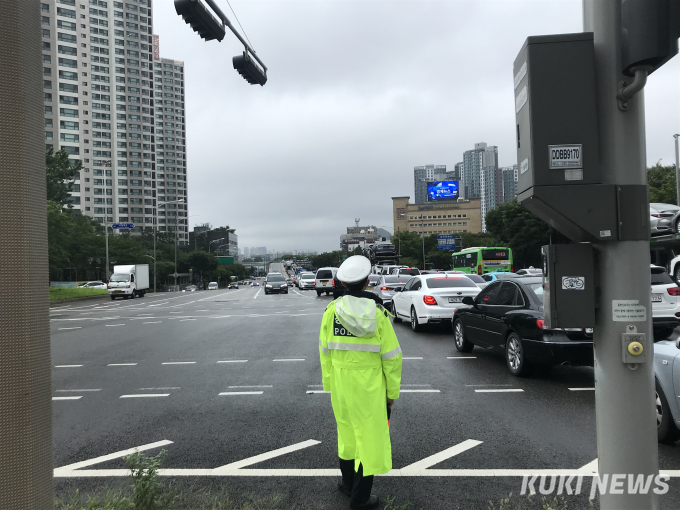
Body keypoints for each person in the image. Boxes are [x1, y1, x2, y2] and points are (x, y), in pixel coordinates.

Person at [318, 255, 402, 510]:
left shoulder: (331, 312)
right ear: (367, 282)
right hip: (370, 385)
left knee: (347, 436)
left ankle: (347, 484)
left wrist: (330, 384)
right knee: (370, 439)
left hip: (342, 383)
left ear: (342, 283)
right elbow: (392, 357)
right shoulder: (378, 314)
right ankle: (360, 498)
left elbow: (324, 352)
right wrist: (391, 393)